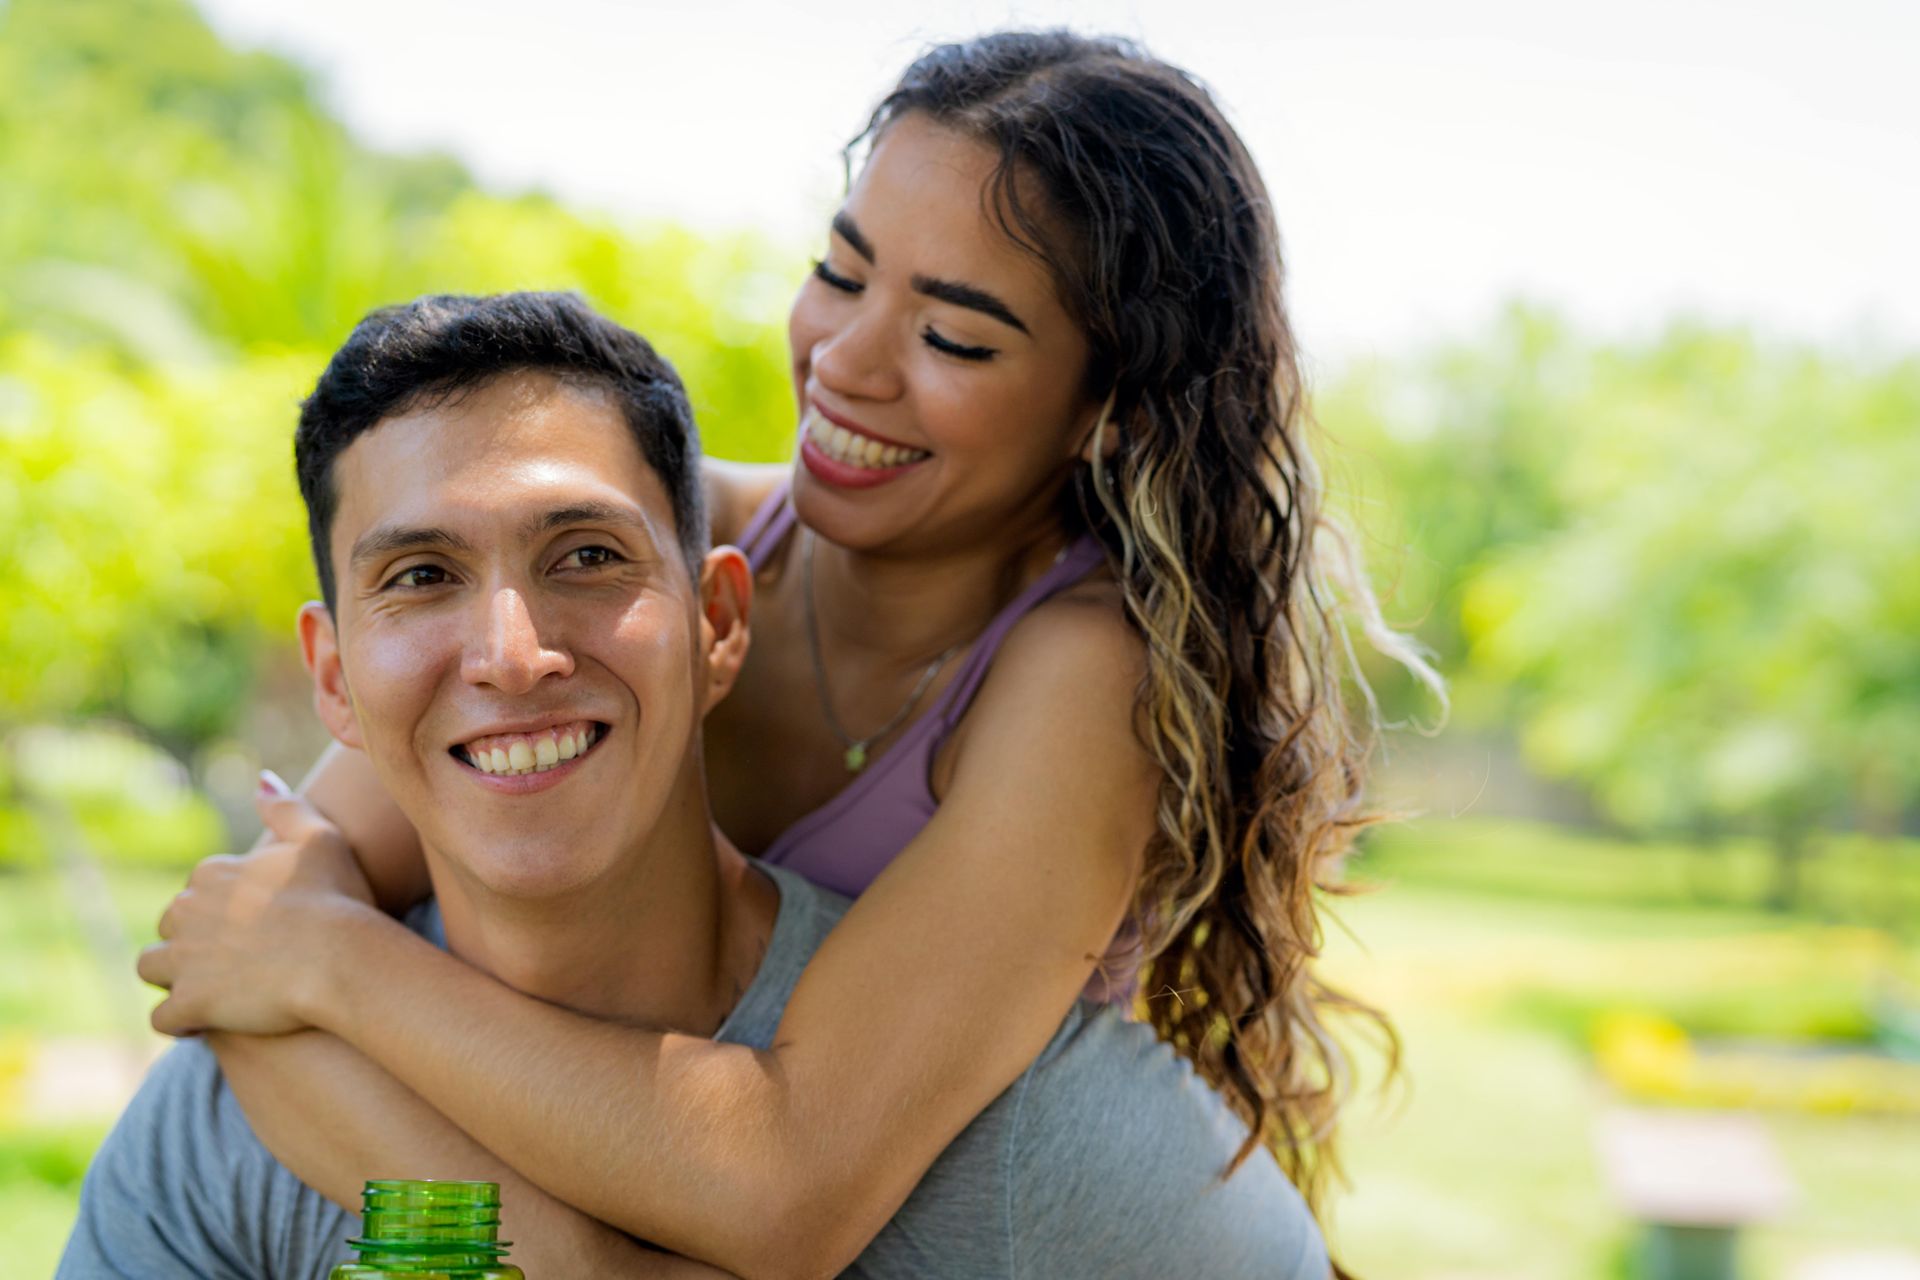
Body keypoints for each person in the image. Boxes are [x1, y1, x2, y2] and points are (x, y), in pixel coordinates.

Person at [134, 30, 1435, 1280]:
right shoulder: (623, 566)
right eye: (844, 272)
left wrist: (343, 966)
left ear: (1112, 409)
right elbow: (242, 970)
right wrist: (577, 1260)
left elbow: (780, 1186)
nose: (847, 361)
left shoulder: (1088, 673)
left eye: (954, 336)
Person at [62, 291, 1327, 1279]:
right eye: (420, 576)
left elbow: (778, 1181)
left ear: (722, 620)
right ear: (333, 676)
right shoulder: (234, 1110)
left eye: (589, 555)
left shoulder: (1046, 1154)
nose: (512, 654)